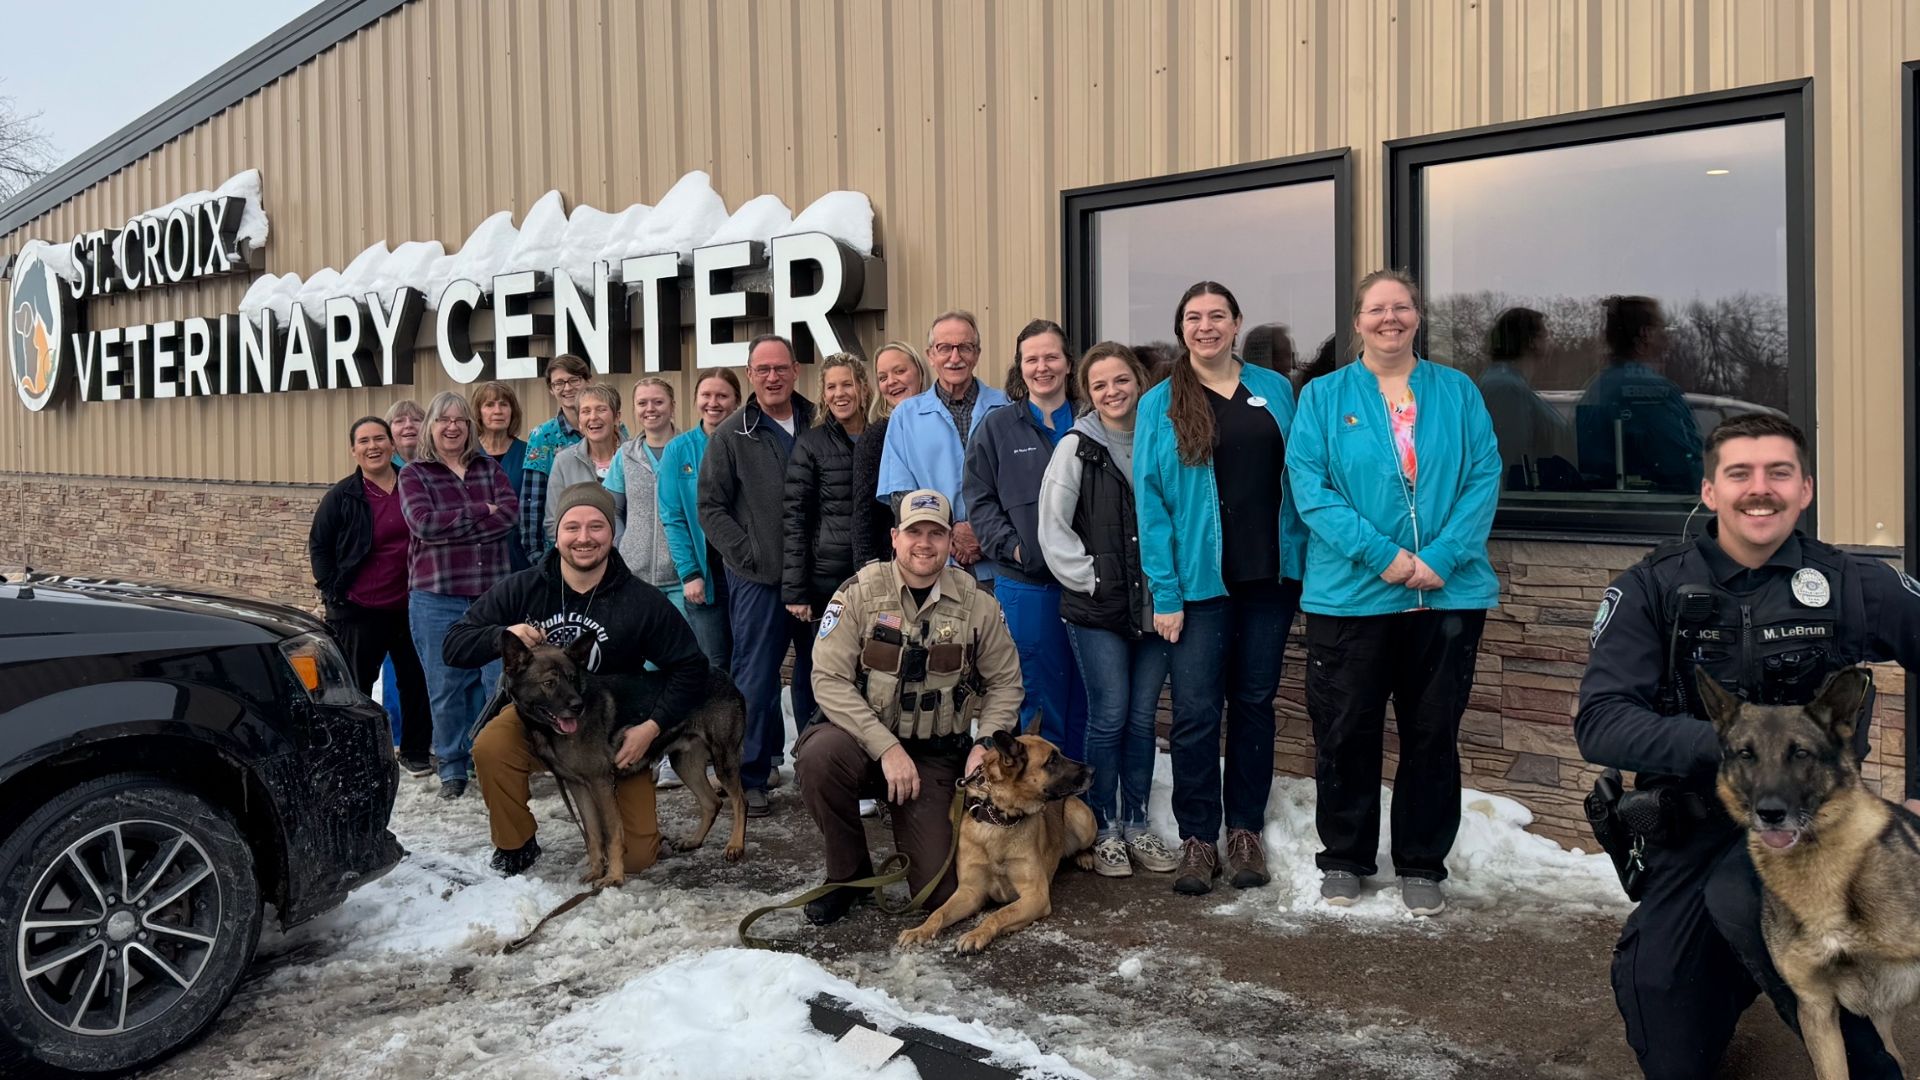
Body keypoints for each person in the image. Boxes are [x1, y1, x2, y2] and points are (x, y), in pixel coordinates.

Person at [1576, 412, 1920, 1080]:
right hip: (1694, 823)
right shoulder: (1653, 589)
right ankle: (1733, 972)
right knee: (1670, 1036)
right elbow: (1602, 720)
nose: (1758, 490)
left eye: (1778, 473)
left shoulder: (1850, 584)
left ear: (1805, 490)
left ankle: (1871, 1066)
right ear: (1710, 491)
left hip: (1822, 828)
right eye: (1739, 473)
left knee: (1746, 898)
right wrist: (1731, 746)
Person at [1287, 268, 1503, 918]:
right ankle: (1345, 858)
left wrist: (1441, 557)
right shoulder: (1323, 397)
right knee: (1346, 733)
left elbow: (1485, 473)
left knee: (1432, 735)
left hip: (1447, 596)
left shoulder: (1457, 391)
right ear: (1358, 322)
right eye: (1377, 309)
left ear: (1417, 316)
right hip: (1351, 597)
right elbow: (1310, 488)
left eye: (1401, 307)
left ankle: (1420, 862)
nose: (1390, 318)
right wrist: (1384, 557)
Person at [1134, 281, 1308, 896]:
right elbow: (1151, 508)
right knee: (1196, 715)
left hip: (1269, 579)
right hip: (1198, 586)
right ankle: (1199, 838)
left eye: (1217, 316)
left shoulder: (1276, 390)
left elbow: (1303, 476)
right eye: (1193, 318)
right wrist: (1166, 594)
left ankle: (1245, 833)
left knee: (1255, 707)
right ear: (1181, 329)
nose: (1205, 327)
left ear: (1236, 323)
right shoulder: (1159, 403)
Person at [444, 482, 708, 877]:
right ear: (557, 534)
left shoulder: (640, 600)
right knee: (491, 746)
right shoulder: (524, 586)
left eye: (596, 527)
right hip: (537, 718)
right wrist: (505, 634)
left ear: (612, 533)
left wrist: (652, 728)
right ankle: (515, 842)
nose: (584, 538)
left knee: (636, 860)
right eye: (572, 527)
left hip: (614, 730)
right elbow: (454, 644)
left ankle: (624, 827)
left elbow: (692, 668)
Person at [795, 489, 1025, 925]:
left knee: (940, 895)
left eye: (936, 533)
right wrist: (886, 748)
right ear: (895, 537)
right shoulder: (859, 594)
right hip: (864, 743)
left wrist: (986, 743)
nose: (924, 543)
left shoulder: (977, 603)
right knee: (819, 757)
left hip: (936, 753)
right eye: (914, 532)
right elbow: (827, 679)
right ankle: (846, 875)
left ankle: (912, 829)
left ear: (949, 541)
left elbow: (1006, 682)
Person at [1036, 342, 1180, 877]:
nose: (1112, 392)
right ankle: (1104, 826)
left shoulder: (1161, 438)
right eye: (1099, 385)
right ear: (1087, 393)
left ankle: (1139, 822)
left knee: (1143, 720)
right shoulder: (1078, 445)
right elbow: (1052, 527)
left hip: (1155, 607)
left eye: (1121, 380)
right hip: (1098, 611)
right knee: (1110, 713)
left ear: (1138, 382)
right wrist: (1093, 578)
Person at [699, 334, 817, 817]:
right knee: (755, 679)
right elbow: (711, 506)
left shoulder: (820, 421)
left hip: (818, 576)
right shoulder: (733, 433)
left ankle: (816, 768)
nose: (773, 377)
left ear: (795, 371)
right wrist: (747, 554)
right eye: (762, 369)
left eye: (781, 368)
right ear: (750, 375)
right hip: (759, 580)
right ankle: (746, 777)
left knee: (820, 676)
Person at [963, 318, 1090, 759]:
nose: (1042, 367)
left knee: (1091, 698)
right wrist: (1014, 547)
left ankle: (1085, 802)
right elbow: (978, 499)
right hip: (1028, 585)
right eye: (1031, 359)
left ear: (1069, 364)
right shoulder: (998, 428)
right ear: (1020, 367)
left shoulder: (1093, 422)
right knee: (1037, 697)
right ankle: (1045, 811)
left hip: (1092, 585)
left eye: (1051, 356)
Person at [399, 390, 519, 799]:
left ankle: (492, 762)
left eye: (460, 420)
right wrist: (480, 511)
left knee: (496, 682)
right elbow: (424, 525)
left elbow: (508, 517)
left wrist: (465, 520)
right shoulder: (414, 474)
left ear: (470, 427)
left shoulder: (488, 468)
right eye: (443, 419)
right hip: (437, 596)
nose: (453, 427)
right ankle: (452, 767)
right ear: (431, 426)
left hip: (492, 598)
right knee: (447, 684)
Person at [307, 416, 433, 777]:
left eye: (380, 438)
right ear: (353, 450)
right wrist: (333, 589)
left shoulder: (414, 484)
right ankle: (355, 754)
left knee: (415, 682)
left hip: (411, 603)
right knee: (356, 688)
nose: (373, 446)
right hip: (360, 609)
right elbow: (320, 545)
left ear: (393, 444)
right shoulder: (343, 495)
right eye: (364, 441)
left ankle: (414, 752)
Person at [875, 310, 1012, 586]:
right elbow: (901, 496)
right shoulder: (905, 417)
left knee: (998, 629)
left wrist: (983, 534)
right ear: (930, 355)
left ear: (977, 353)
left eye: (965, 347)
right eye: (945, 348)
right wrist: (951, 533)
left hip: (1000, 563)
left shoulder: (1007, 408)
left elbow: (1021, 486)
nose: (955, 357)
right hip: (934, 564)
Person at [784, 353, 880, 623]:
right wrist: (796, 590)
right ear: (824, 395)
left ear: (863, 387)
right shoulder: (810, 445)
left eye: (847, 384)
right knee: (831, 662)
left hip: (879, 573)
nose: (840, 394)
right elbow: (796, 518)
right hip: (827, 579)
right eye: (831, 387)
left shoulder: (885, 435)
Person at [1575, 295, 1703, 495]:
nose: (1667, 335)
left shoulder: (1596, 387)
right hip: (1656, 512)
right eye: (1663, 328)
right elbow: (1681, 465)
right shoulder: (1655, 391)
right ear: (1646, 334)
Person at [660, 369, 741, 671]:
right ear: (696, 400)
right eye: (706, 395)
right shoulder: (678, 450)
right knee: (715, 663)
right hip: (705, 575)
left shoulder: (748, 442)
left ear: (737, 401)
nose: (713, 402)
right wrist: (689, 572)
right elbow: (673, 516)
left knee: (751, 661)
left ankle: (754, 721)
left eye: (722, 395)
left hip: (745, 572)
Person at [1475, 307, 1576, 492]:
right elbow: (1508, 460)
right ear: (1532, 342)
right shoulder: (1505, 387)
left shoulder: (1513, 384)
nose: (1550, 345)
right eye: (1545, 337)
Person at [851, 342, 932, 566]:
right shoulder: (875, 437)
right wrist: (867, 567)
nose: (891, 381)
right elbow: (863, 514)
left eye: (899, 371)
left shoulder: (942, 423)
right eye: (883, 377)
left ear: (920, 371)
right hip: (896, 564)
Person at [606, 376, 683, 603]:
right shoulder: (625, 455)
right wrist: (622, 544)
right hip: (635, 577)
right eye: (642, 403)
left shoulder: (689, 449)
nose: (650, 409)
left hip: (683, 578)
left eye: (658, 402)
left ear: (672, 406)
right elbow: (612, 509)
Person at [520, 354, 593, 561]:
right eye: (559, 383)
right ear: (551, 390)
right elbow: (532, 500)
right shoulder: (542, 436)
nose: (567, 388)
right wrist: (535, 554)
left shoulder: (612, 428)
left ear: (588, 382)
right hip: (560, 549)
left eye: (574, 380)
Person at [545, 382, 626, 544]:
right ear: (580, 422)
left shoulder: (636, 458)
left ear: (617, 417)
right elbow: (553, 522)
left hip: (629, 562)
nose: (593, 417)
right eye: (585, 411)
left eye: (601, 409)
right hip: (583, 556)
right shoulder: (563, 461)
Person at [471, 381, 531, 571]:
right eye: (489, 405)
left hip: (520, 555)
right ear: (478, 413)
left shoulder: (530, 453)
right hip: (475, 557)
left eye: (504, 404)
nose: (498, 410)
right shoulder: (465, 455)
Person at [386, 398, 425, 467]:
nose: (409, 425)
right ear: (388, 430)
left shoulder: (439, 463)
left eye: (416, 420)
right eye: (399, 421)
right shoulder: (383, 467)